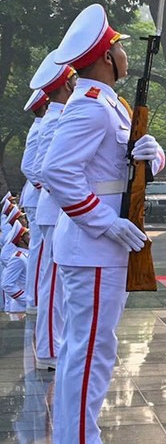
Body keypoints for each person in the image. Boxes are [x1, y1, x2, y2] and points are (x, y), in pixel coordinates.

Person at [38, 4, 165, 444]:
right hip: (93, 246)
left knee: (93, 347)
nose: (124, 54)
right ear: (106, 57)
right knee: (88, 349)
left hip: (104, 246)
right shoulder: (90, 106)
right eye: (119, 47)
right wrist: (104, 224)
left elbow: (120, 167)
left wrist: (152, 157)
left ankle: (85, 443)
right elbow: (56, 171)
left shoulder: (109, 102)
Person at [19, 59, 73, 371]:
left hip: (52, 207)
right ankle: (50, 350)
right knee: (52, 281)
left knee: (54, 279)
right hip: (53, 208)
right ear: (67, 84)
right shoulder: (54, 120)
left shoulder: (56, 117)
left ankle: (54, 343)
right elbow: (36, 167)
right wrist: (59, 187)